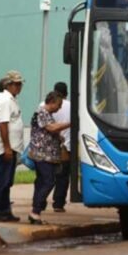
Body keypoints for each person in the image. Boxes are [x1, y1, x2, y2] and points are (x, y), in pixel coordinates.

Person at [0, 70, 25, 222]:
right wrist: (7, 147)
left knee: (7, 182)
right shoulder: (5, 101)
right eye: (15, 84)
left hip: (12, 147)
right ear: (8, 84)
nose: (18, 87)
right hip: (4, 148)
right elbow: (3, 125)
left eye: (19, 84)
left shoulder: (12, 100)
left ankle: (5, 209)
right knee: (1, 181)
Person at [28, 91, 70, 224]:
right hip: (43, 155)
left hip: (47, 155)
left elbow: (49, 131)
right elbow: (51, 128)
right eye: (59, 104)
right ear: (51, 102)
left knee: (42, 181)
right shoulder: (42, 113)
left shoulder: (47, 114)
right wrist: (70, 123)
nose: (60, 108)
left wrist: (59, 137)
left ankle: (36, 211)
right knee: (48, 181)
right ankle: (35, 211)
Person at [51, 82, 71, 213]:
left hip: (49, 146)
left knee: (46, 175)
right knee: (63, 176)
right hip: (66, 146)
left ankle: (39, 201)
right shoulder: (72, 106)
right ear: (66, 93)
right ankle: (58, 203)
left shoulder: (45, 105)